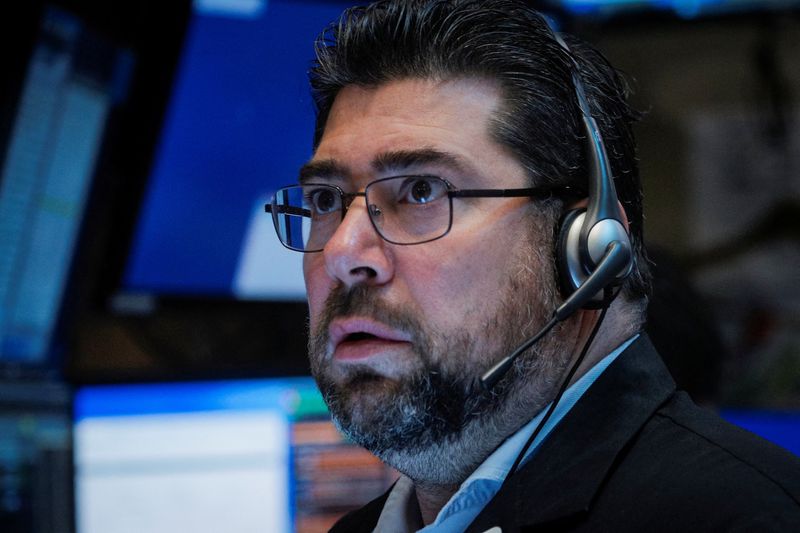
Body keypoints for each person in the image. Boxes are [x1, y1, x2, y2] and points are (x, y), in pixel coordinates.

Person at [266, 1, 800, 530]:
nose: (341, 253)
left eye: (422, 191)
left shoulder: (750, 518)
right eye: (325, 201)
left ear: (588, 249)